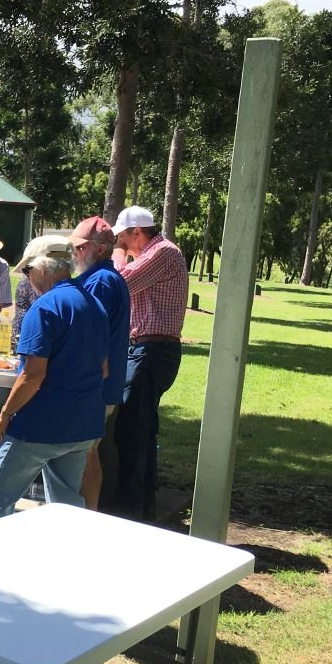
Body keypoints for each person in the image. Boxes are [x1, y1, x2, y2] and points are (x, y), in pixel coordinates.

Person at [0, 237, 108, 521]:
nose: (27, 279)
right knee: (66, 506)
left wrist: (6, 412)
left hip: (40, 425)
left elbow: (32, 375)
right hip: (82, 425)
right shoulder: (94, 304)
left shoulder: (45, 307)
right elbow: (104, 369)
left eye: (27, 271)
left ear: (42, 267)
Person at [110, 205, 188, 519]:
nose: (122, 244)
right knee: (142, 428)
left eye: (123, 238)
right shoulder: (156, 253)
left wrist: (116, 255)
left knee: (130, 430)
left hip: (151, 351)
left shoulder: (164, 253)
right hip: (149, 350)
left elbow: (121, 283)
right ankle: (144, 502)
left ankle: (130, 508)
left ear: (137, 232)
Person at [69, 217, 131, 511]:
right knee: (87, 451)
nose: (75, 253)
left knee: (86, 452)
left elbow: (89, 330)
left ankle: (88, 514)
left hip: (96, 383)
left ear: (101, 249)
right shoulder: (102, 277)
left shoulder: (101, 281)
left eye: (81, 247)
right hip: (101, 382)